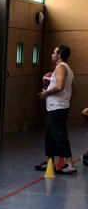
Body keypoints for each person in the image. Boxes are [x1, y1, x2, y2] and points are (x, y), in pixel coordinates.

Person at [36, 45, 77, 175]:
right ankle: (50, 161)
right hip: (54, 107)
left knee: (60, 135)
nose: (52, 54)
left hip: (58, 107)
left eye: (54, 52)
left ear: (59, 55)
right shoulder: (65, 68)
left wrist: (46, 93)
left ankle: (70, 164)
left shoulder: (61, 67)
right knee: (50, 136)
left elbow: (59, 86)